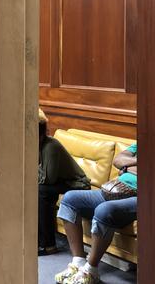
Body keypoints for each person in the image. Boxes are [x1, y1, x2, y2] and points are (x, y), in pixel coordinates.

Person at [54, 143, 137, 284]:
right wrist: (137, 163)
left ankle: (91, 271)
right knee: (70, 199)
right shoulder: (143, 141)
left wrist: (127, 168)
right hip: (114, 191)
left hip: (142, 197)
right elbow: (118, 160)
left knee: (104, 210)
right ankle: (78, 262)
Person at [38, 108, 91, 256]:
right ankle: (38, 240)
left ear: (41, 135)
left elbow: (47, 179)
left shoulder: (51, 146)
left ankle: (48, 244)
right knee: (38, 190)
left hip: (77, 184)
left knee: (41, 191)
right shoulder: (36, 146)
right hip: (58, 183)